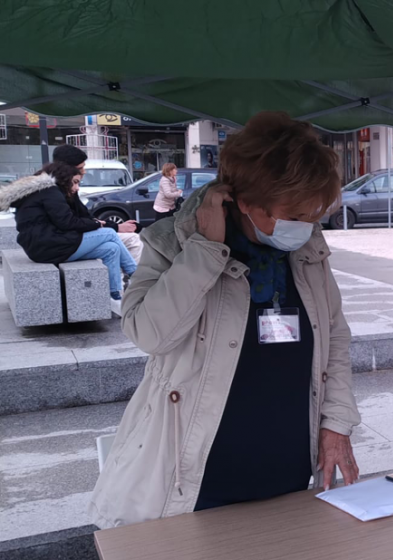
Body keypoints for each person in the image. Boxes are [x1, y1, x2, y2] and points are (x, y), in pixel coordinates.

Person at [90, 112, 360, 528]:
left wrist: (336, 424)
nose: (305, 227)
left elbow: (335, 342)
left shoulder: (308, 252)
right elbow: (148, 334)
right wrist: (203, 251)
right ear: (244, 202)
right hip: (196, 478)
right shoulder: (172, 243)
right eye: (294, 215)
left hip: (288, 472)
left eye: (313, 216)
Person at [0, 163, 137, 302]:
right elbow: (66, 222)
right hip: (48, 246)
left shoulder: (42, 191)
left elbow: (66, 221)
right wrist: (96, 224)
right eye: (75, 182)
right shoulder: (50, 191)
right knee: (109, 233)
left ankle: (114, 296)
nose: (77, 188)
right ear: (65, 179)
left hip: (43, 246)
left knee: (111, 249)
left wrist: (93, 223)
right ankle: (137, 274)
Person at [54, 145, 143, 261]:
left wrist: (113, 226)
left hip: (71, 239)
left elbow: (85, 217)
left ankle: (123, 277)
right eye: (81, 168)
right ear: (68, 169)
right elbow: (72, 222)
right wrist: (114, 227)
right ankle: (133, 274)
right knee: (129, 240)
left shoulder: (66, 188)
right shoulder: (56, 191)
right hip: (66, 243)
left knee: (113, 247)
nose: (84, 172)